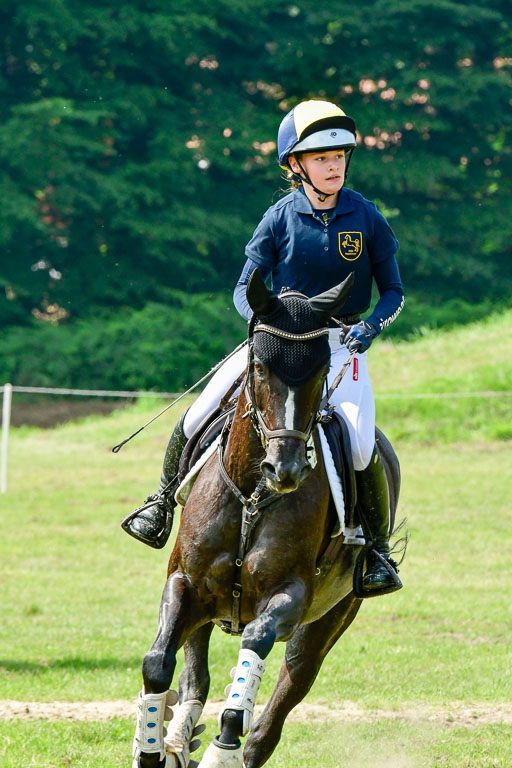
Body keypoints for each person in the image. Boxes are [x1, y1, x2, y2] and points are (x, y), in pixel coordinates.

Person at [123, 99, 404, 593]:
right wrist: (261, 322)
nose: (334, 163)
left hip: (338, 344)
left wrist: (372, 328)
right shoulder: (279, 217)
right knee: (197, 414)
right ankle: (162, 501)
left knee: (361, 442)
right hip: (275, 339)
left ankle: (375, 549)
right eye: (321, 157)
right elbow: (242, 287)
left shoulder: (368, 217)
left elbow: (394, 293)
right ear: (296, 165)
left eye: (339, 155)